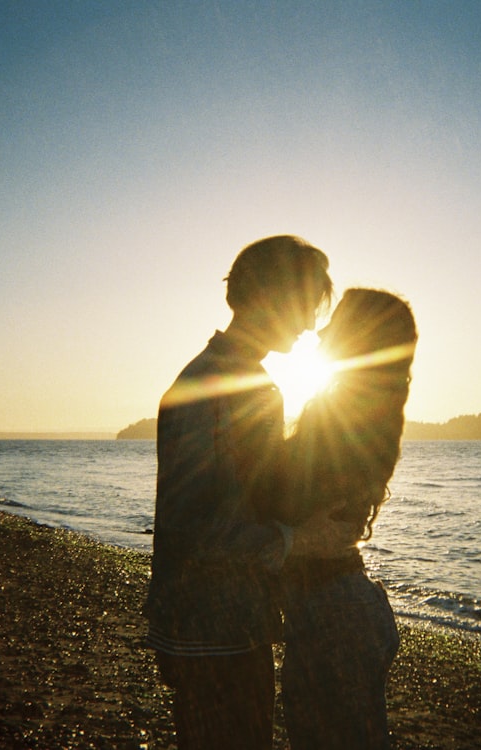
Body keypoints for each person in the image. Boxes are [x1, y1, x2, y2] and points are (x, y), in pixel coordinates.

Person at [144, 235, 358, 750]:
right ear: (270, 296)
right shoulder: (218, 386)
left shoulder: (245, 382)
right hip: (211, 635)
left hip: (229, 625)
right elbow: (194, 530)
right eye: (306, 305)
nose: (310, 324)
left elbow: (244, 497)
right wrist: (300, 542)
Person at [278, 288, 417, 750]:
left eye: (334, 324)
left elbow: (280, 496)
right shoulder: (362, 413)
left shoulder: (347, 418)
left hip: (334, 612)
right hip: (334, 605)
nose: (320, 332)